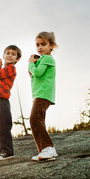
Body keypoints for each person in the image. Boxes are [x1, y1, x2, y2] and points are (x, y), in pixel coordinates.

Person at [28, 31, 58, 161]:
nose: (40, 47)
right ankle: (45, 150)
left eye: (43, 44)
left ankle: (48, 148)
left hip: (43, 94)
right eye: (37, 45)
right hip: (41, 94)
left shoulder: (47, 58)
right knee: (39, 120)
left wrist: (30, 63)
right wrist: (33, 65)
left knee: (34, 119)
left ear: (51, 45)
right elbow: (33, 75)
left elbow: (38, 74)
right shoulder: (43, 60)